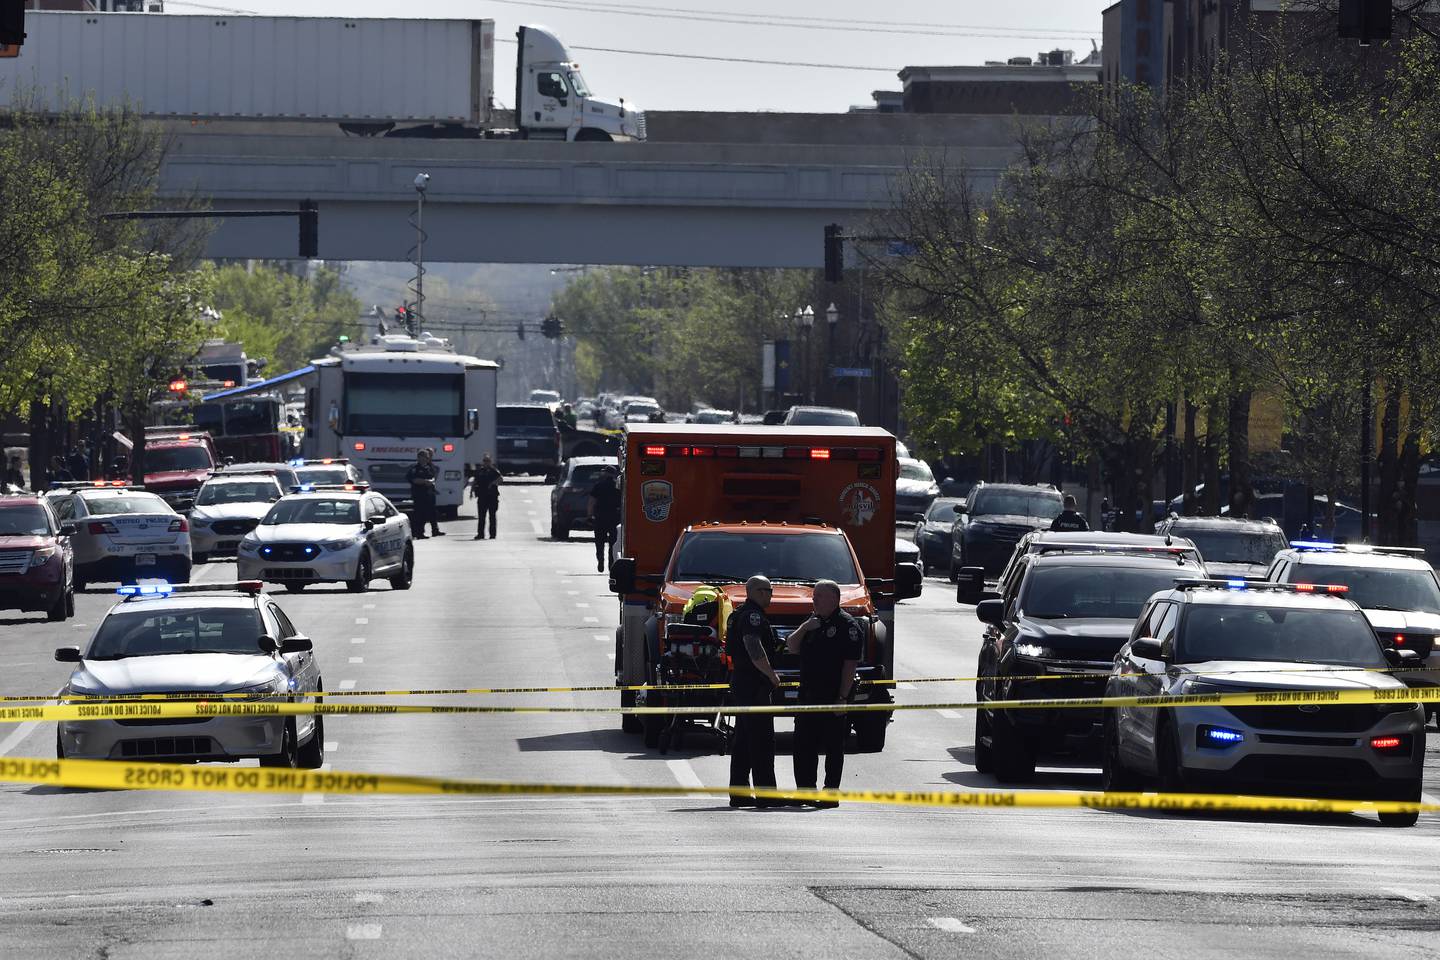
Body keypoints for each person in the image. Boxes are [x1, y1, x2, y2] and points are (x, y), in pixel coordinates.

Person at [784, 580, 862, 808]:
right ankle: (805, 791)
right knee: (802, 746)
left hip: (833, 695)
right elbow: (791, 646)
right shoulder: (812, 622)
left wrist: (842, 697)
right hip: (808, 695)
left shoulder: (847, 626)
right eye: (814, 595)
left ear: (834, 599)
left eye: (818, 596)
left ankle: (830, 793)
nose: (814, 599)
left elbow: (850, 665)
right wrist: (805, 628)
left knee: (833, 747)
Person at [725, 575, 783, 809]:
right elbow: (753, 646)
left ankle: (738, 792)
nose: (771, 595)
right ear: (759, 592)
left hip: (742, 682)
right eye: (769, 591)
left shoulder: (739, 613)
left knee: (743, 739)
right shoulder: (753, 616)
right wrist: (771, 674)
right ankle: (766, 793)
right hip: (754, 684)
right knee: (761, 741)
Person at [587, 464, 621, 572]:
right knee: (613, 542)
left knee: (599, 542)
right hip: (614, 518)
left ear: (606, 473)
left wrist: (589, 516)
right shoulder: (618, 486)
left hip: (600, 517)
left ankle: (600, 560)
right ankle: (611, 564)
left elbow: (592, 502)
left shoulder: (599, 485)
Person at [406, 449, 443, 539]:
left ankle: (427, 531)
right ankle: (418, 533)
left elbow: (433, 477)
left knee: (429, 514)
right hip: (419, 495)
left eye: (428, 457)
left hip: (429, 494)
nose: (427, 458)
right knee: (419, 514)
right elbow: (414, 480)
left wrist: (431, 481)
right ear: (419, 458)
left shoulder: (429, 467)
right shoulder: (415, 468)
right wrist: (425, 481)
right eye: (425, 457)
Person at [470, 453, 502, 540]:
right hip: (482, 496)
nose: (486, 462)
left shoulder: (494, 471)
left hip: (492, 497)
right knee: (481, 517)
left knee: (492, 516)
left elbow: (500, 479)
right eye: (484, 461)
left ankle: (492, 534)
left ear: (490, 462)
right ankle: (480, 534)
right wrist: (471, 491)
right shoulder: (480, 471)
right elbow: (475, 481)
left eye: (488, 461)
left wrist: (493, 483)